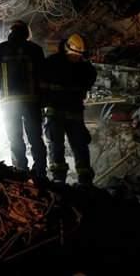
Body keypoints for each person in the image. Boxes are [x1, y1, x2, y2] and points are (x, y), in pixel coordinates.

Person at [0, 21, 46, 179]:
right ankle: (40, 171)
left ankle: (20, 170)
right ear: (26, 33)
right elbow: (43, 76)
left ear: (11, 32)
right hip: (32, 102)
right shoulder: (35, 49)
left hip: (9, 103)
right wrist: (44, 100)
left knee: (15, 138)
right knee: (35, 137)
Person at [43, 33, 97, 186]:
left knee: (80, 146)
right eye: (74, 55)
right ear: (67, 49)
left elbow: (90, 77)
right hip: (55, 112)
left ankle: (85, 181)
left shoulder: (85, 67)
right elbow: (41, 85)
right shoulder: (51, 63)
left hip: (74, 113)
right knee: (55, 145)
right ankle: (58, 180)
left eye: (79, 56)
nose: (76, 58)